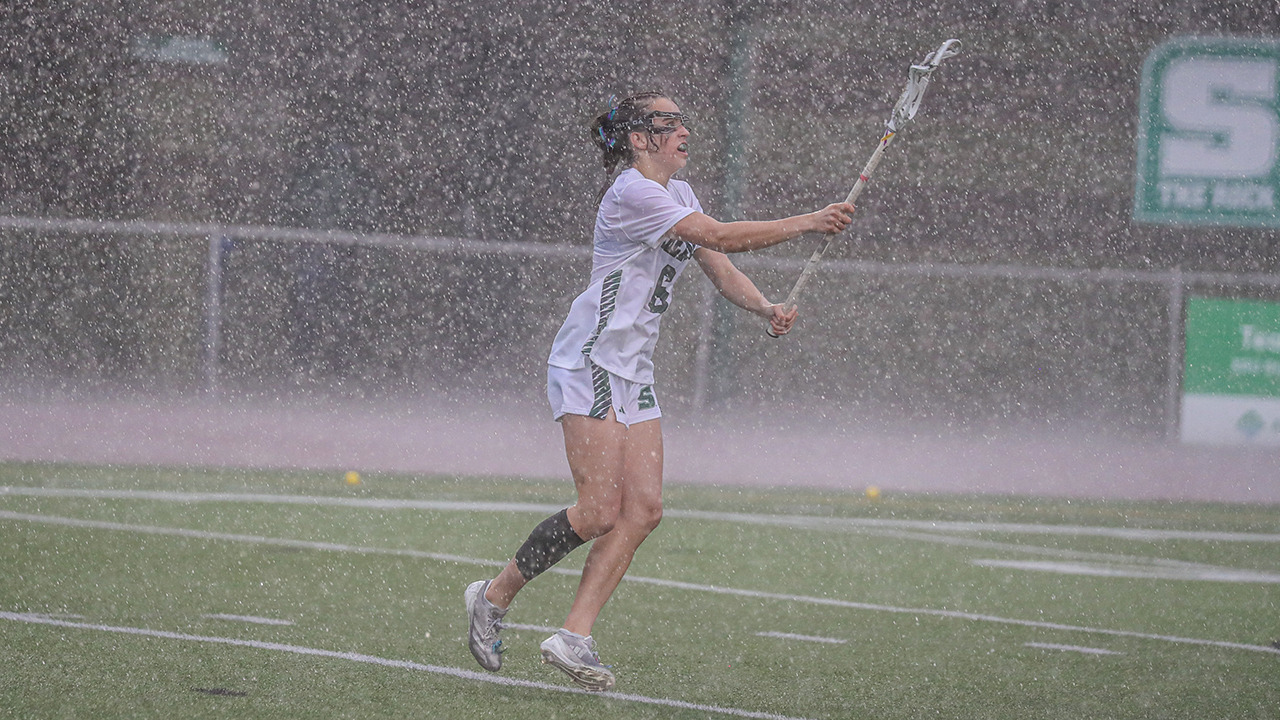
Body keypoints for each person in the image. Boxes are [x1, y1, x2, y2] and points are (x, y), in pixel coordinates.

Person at [465, 91, 855, 691]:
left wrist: (764, 306)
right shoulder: (632, 191)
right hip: (589, 360)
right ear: (639, 138)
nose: (682, 131)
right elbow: (721, 236)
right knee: (597, 511)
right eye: (667, 123)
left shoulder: (678, 194)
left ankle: (574, 637)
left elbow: (717, 263)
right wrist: (809, 220)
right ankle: (493, 596)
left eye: (682, 121)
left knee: (644, 510)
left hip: (633, 370)